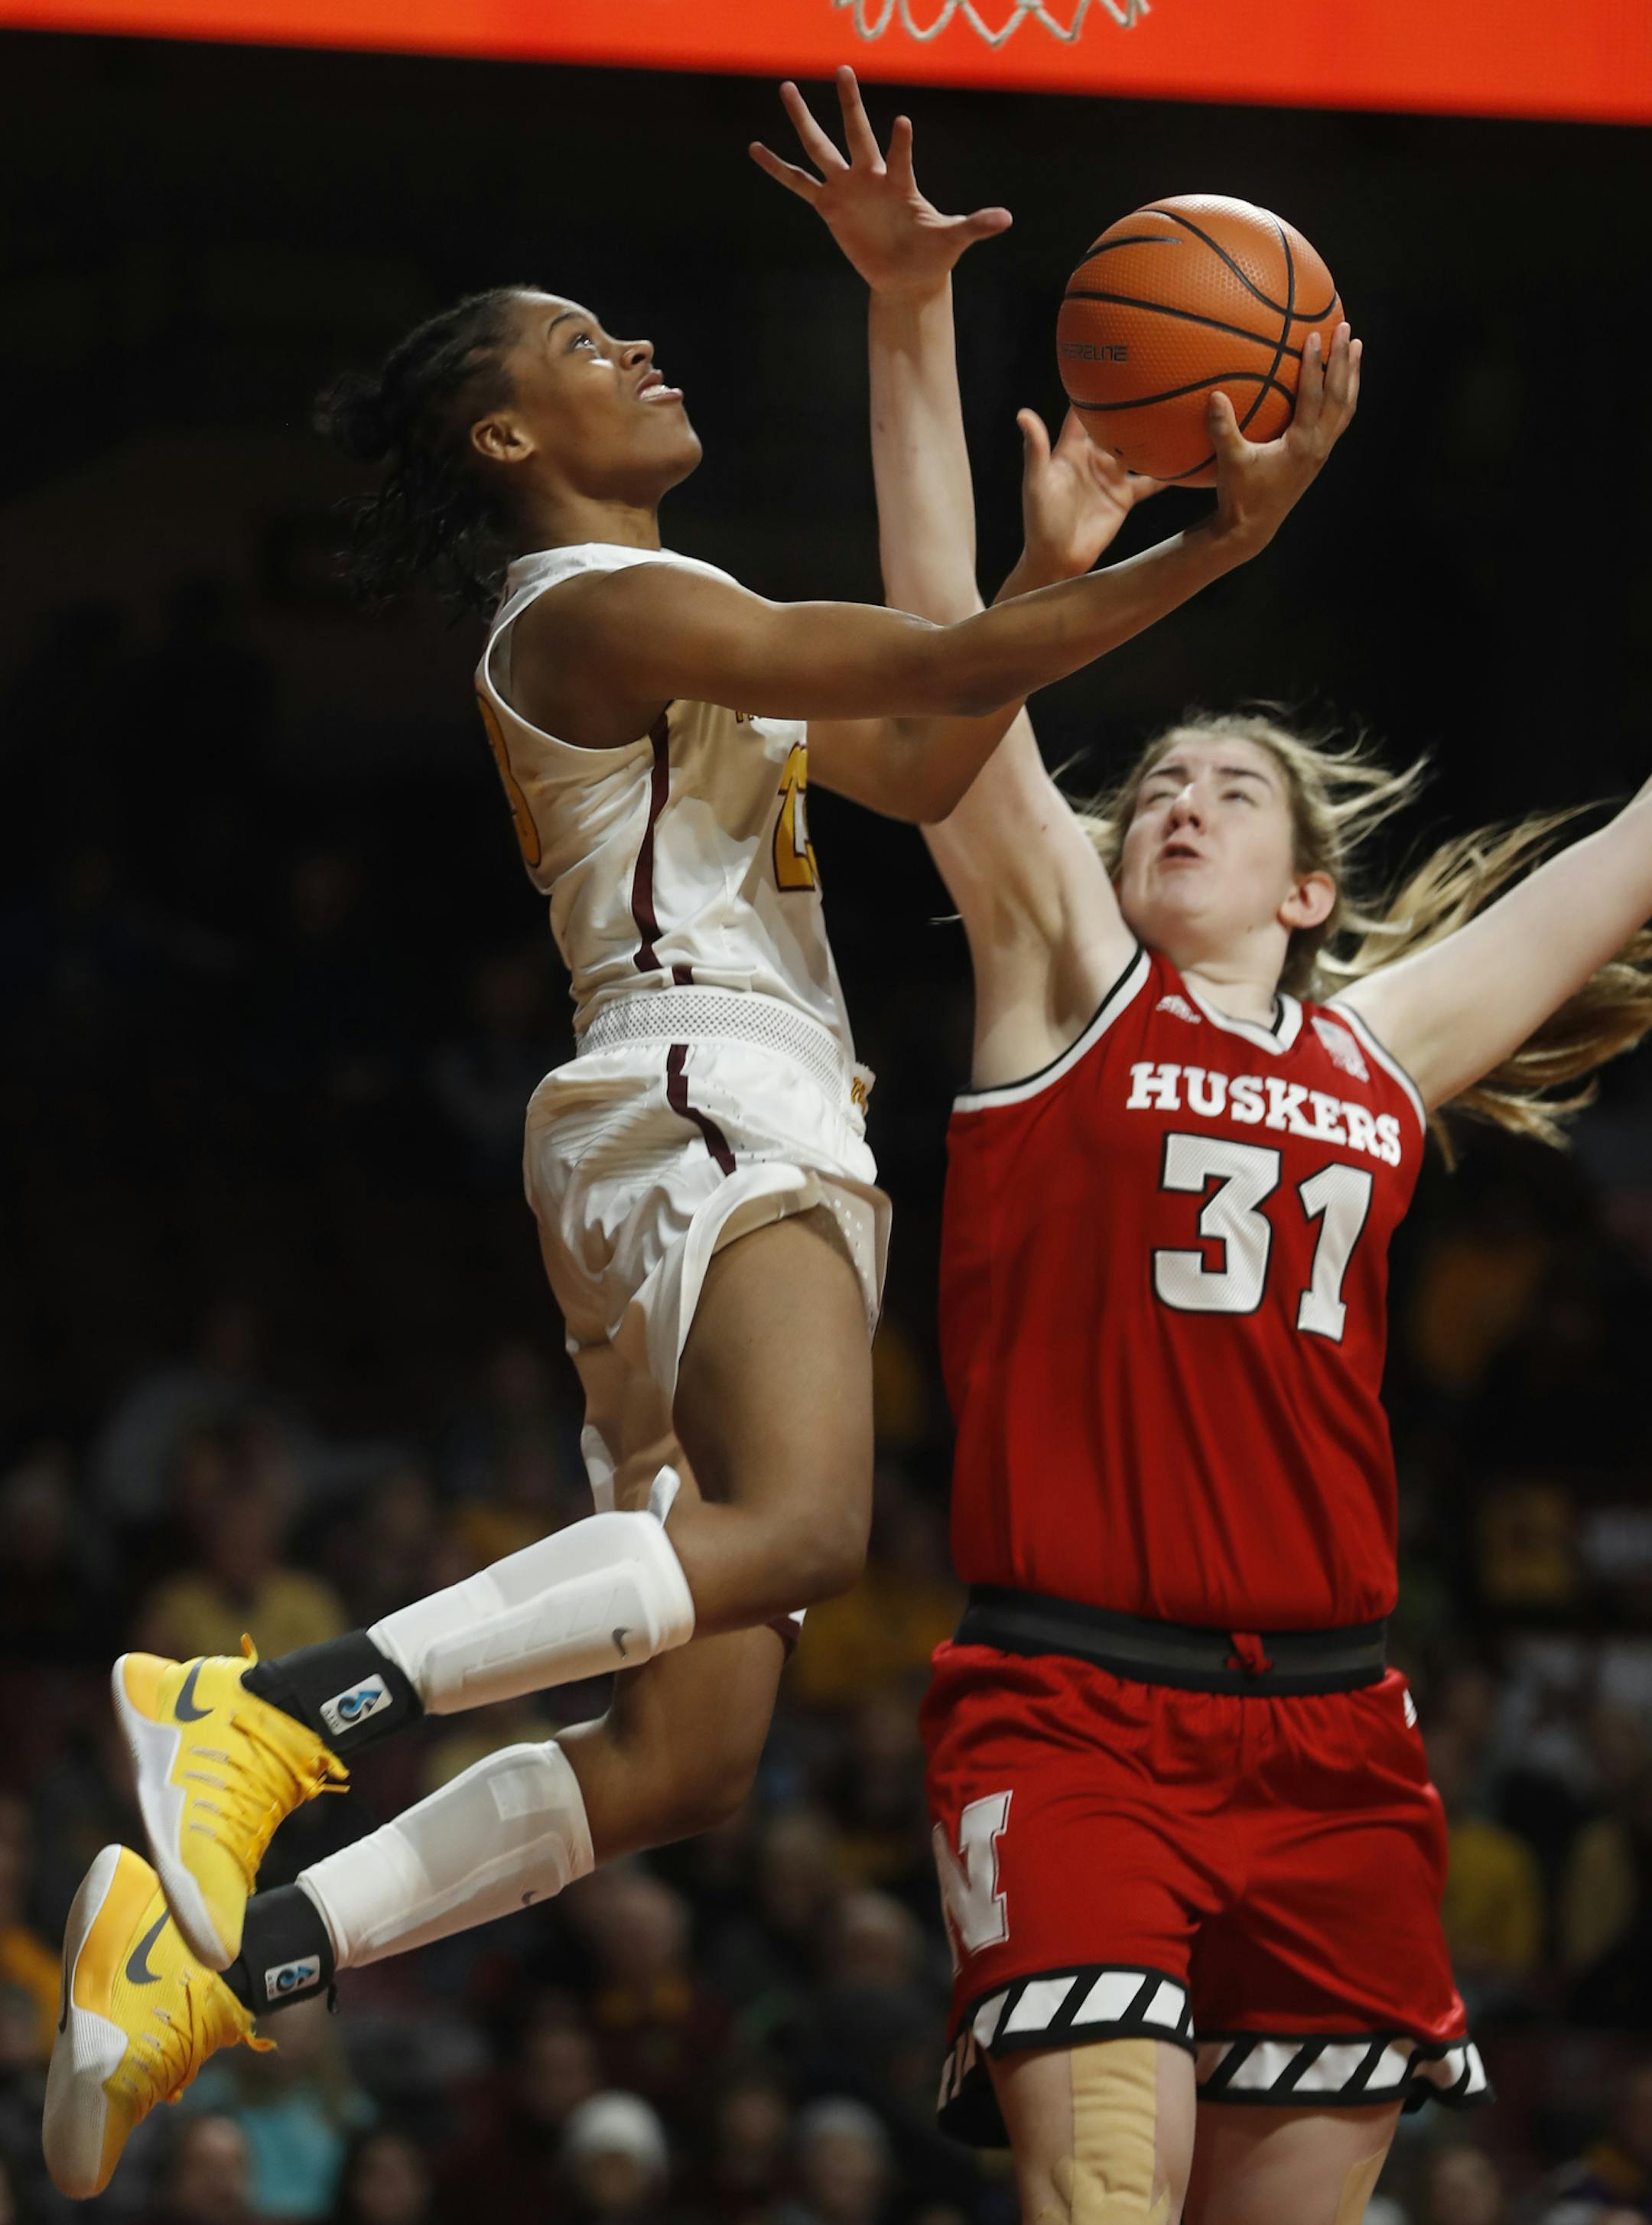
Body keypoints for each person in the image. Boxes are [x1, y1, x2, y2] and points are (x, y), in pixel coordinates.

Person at [44, 83, 1356, 2201]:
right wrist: (1235, 541)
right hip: (700, 1093)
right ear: (509, 440)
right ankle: (274, 1709)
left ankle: (231, 1958)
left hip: (697, 1122)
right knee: (814, 1529)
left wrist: (1049, 552)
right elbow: (944, 664)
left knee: (688, 1761)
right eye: (586, 347)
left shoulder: (675, 612)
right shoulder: (581, 608)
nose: (639, 354)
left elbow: (935, 754)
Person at [757, 69, 1652, 2225]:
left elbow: (1631, 855)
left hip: (1342, 1739)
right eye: (1151, 773)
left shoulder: (1381, 1049)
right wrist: (905, 313)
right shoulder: (1061, 971)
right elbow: (944, 643)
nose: (1173, 795)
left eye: (1227, 790)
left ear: (1311, 887)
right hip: (1075, 1710)